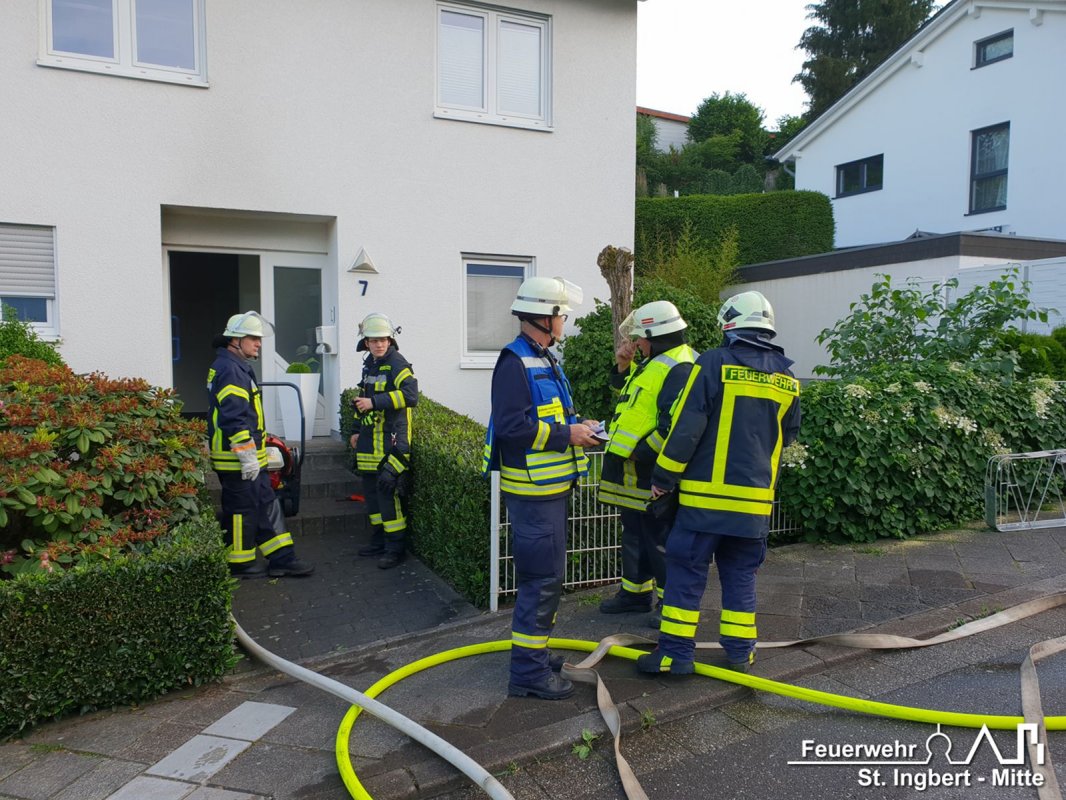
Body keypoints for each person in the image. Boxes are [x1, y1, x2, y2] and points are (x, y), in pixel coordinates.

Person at [636, 291, 800, 675]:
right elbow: (786, 438)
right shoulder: (788, 379)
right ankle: (741, 652)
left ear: (729, 326)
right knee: (741, 576)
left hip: (703, 503)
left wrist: (662, 479)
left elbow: (686, 429)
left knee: (686, 575)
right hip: (754, 507)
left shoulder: (713, 363)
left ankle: (675, 657)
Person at [483, 276, 600, 700]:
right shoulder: (514, 362)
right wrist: (567, 436)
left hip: (549, 490)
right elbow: (513, 428)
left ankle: (536, 654)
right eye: (561, 314)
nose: (564, 321)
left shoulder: (542, 357)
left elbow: (547, 415)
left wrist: (577, 425)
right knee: (541, 581)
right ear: (545, 316)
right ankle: (528, 674)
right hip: (534, 493)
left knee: (548, 578)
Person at [597, 301, 696, 622]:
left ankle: (671, 608)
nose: (636, 342)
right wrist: (623, 366)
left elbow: (674, 427)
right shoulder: (659, 362)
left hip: (653, 472)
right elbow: (632, 402)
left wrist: (641, 452)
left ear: (656, 335)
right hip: (634, 472)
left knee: (660, 540)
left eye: (640, 337)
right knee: (636, 532)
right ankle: (635, 595)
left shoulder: (678, 367)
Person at [207, 311, 315, 578]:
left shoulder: (233, 365)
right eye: (253, 339)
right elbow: (234, 417)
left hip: (246, 455)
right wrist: (247, 455)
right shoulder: (231, 369)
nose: (259, 344)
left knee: (267, 502)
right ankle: (241, 563)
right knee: (243, 509)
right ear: (236, 340)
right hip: (236, 458)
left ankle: (282, 557)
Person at [349, 313, 418, 570]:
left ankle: (395, 548)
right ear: (366, 343)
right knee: (373, 498)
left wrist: (375, 402)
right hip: (369, 445)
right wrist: (356, 429)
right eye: (373, 340)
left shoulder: (397, 363)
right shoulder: (370, 365)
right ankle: (379, 540)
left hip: (391, 444)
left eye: (383, 340)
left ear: (390, 341)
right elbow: (362, 398)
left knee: (389, 498)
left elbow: (411, 396)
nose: (379, 345)